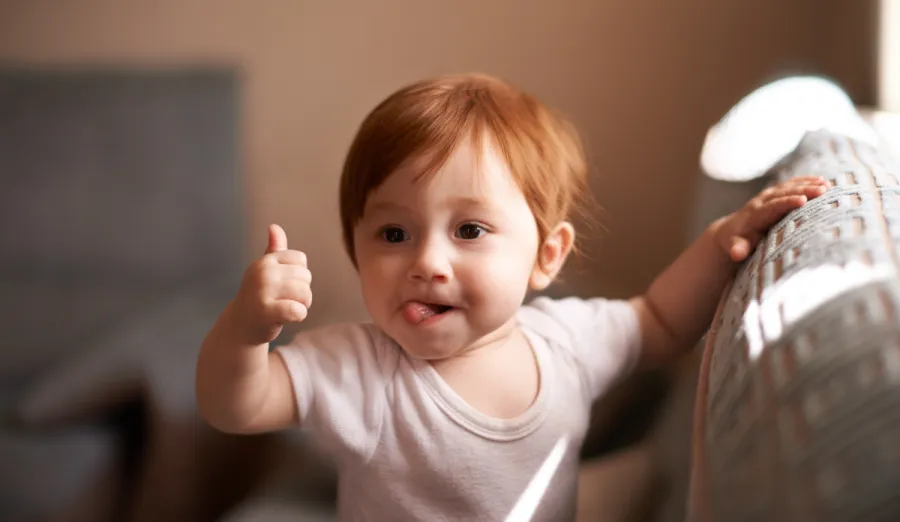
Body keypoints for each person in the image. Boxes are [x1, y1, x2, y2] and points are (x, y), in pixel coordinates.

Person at [196, 73, 830, 521]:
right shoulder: (360, 368)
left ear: (546, 256)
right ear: (355, 250)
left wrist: (721, 243)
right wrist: (246, 328)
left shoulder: (566, 343)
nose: (427, 263)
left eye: (469, 231)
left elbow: (661, 319)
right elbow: (235, 405)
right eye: (393, 234)